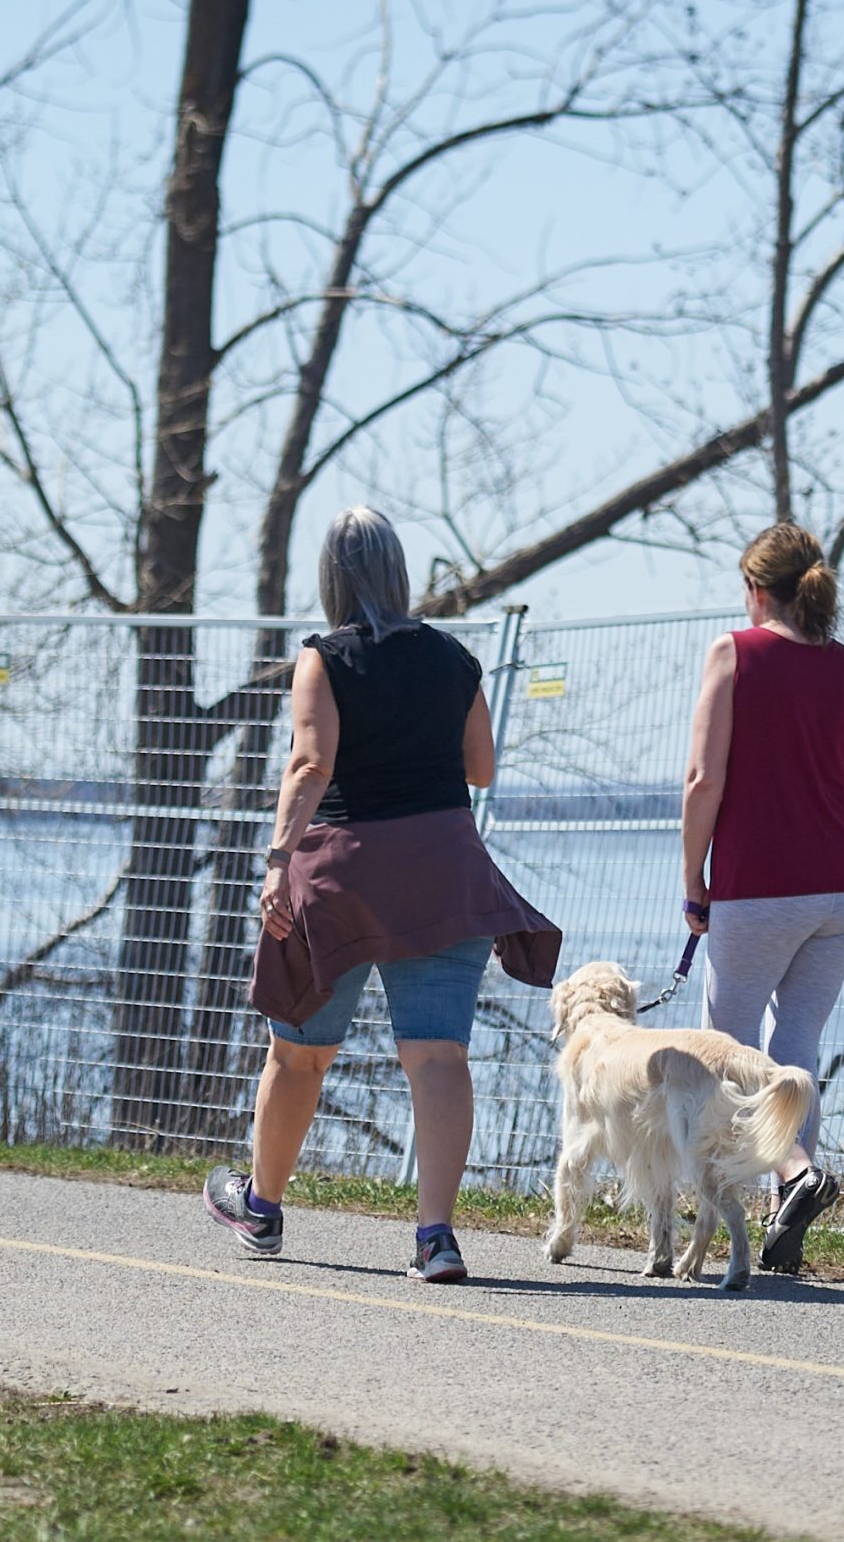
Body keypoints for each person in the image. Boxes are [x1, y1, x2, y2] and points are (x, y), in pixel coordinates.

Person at [204, 506, 560, 1284]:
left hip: (341, 876)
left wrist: (274, 862)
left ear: (330, 578)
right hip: (444, 871)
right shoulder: (455, 658)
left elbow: (309, 767)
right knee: (437, 1054)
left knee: (299, 1052)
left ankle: (260, 1209)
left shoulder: (322, 659)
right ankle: (437, 1238)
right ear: (399, 572)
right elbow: (481, 770)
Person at [678, 522, 844, 1272]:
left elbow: (703, 782)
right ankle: (786, 1212)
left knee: (728, 1056)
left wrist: (693, 881)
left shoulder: (734, 655)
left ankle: (781, 1179)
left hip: (759, 886)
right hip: (843, 890)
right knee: (796, 1049)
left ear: (754, 589)